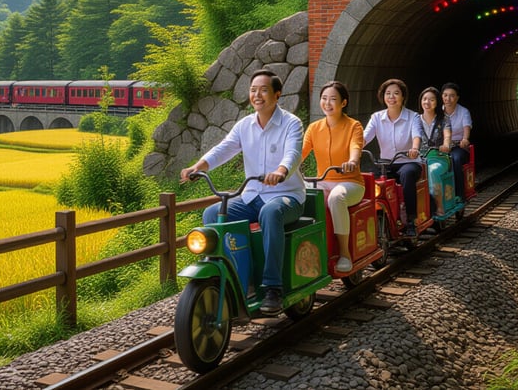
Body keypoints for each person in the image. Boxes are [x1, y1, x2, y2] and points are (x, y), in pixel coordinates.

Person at [180, 69, 305, 315]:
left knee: (270, 213)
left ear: (277, 95)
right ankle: (238, 277)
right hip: (252, 197)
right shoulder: (244, 125)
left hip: (287, 197)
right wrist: (198, 166)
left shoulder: (291, 123)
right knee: (213, 214)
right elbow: (223, 149)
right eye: (253, 90)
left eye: (264, 90)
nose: (257, 95)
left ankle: (272, 287)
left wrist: (280, 170)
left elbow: (292, 153)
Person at [301, 81, 365, 273]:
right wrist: (282, 168)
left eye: (333, 99)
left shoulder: (354, 126)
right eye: (324, 98)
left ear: (343, 103)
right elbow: (299, 153)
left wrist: (352, 161)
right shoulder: (314, 128)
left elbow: (356, 147)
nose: (327, 103)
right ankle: (311, 248)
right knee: (299, 192)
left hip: (350, 183)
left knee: (337, 197)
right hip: (322, 181)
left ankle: (344, 253)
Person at [363, 78, 422, 237]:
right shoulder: (376, 117)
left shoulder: (413, 117)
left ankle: (411, 221)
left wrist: (415, 148)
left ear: (403, 97)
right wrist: (354, 149)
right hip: (386, 164)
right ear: (383, 97)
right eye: (388, 93)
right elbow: (364, 137)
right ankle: (371, 221)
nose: (391, 97)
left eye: (396, 93)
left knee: (407, 174)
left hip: (408, 162)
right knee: (367, 180)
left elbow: (417, 135)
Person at [415, 86, 452, 219]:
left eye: (431, 99)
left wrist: (446, 144)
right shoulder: (415, 119)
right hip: (419, 159)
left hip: (439, 157)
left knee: (432, 171)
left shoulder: (444, 119)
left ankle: (439, 205)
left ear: (437, 102)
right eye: (424, 99)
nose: (427, 102)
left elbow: (447, 135)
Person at [441, 82, 472, 177]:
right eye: (445, 95)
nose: (448, 99)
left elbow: (467, 126)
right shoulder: (437, 112)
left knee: (455, 159)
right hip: (440, 147)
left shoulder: (464, 112)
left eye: (452, 96)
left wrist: (465, 139)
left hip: (458, 146)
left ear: (457, 98)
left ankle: (458, 191)